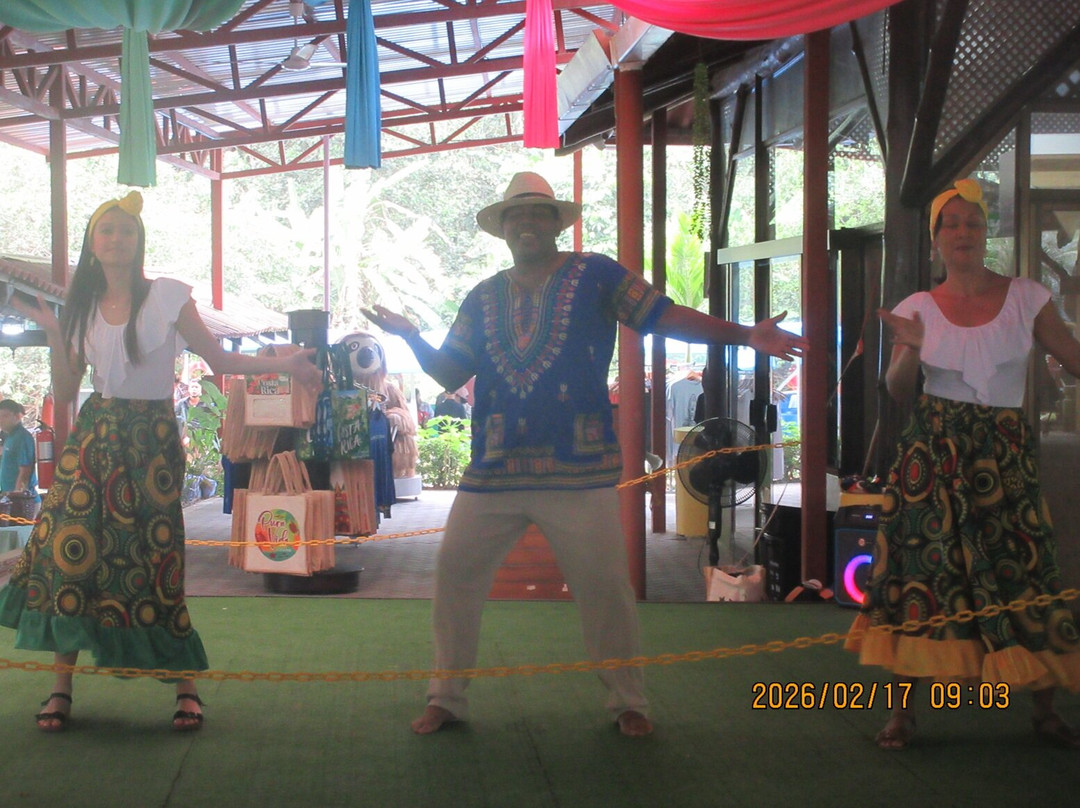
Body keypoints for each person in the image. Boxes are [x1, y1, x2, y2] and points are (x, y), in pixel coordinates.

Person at [363, 171, 807, 737]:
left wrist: (746, 335)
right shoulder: (483, 296)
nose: (526, 223)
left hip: (581, 468)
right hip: (494, 469)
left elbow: (662, 314)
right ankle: (445, 698)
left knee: (604, 586)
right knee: (454, 575)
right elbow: (451, 370)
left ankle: (629, 702)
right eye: (516, 216)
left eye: (538, 214)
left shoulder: (594, 273)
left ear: (556, 223)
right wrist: (411, 336)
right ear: (502, 230)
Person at [0, 190, 321, 733]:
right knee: (71, 552)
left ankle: (185, 687)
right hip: (95, 439)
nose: (117, 239)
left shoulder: (170, 296)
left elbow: (217, 359)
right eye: (107, 230)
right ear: (92, 242)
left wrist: (287, 364)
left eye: (126, 230)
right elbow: (65, 388)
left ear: (138, 240)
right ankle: (60, 687)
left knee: (156, 557)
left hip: (150, 443)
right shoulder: (77, 309)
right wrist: (57, 337)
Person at [846, 178, 1080, 750]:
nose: (963, 233)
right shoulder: (917, 308)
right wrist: (911, 347)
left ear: (987, 231)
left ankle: (1045, 709)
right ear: (935, 240)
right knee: (921, 574)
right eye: (950, 224)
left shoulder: (1029, 296)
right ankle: (902, 714)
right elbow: (899, 391)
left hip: (1003, 454)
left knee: (1023, 565)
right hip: (932, 455)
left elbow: (1073, 357)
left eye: (972, 223)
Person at [0, 399, 40, 507]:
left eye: (5, 416)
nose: (1, 420)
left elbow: (25, 471)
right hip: (9, 500)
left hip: (23, 503)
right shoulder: (9, 437)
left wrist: (17, 499)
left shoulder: (22, 437)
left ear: (17, 416)